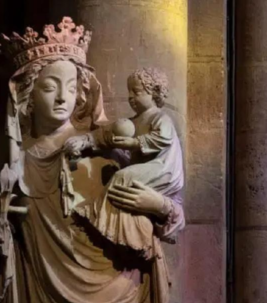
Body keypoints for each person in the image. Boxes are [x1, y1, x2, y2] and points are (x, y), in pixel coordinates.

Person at [0, 17, 184, 303]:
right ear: (28, 95)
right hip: (41, 292)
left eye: (72, 86)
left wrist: (160, 206)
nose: (64, 97)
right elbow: (13, 233)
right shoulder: (17, 165)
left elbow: (173, 218)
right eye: (50, 87)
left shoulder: (100, 145)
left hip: (118, 290)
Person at [63, 68, 184, 260]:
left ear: (154, 93)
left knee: (121, 177)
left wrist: (135, 143)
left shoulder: (160, 118)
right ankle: (107, 221)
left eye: (136, 92)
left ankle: (98, 217)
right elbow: (106, 134)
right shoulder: (132, 122)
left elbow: (163, 139)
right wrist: (86, 140)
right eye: (129, 92)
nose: (130, 97)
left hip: (163, 168)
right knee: (120, 177)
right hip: (145, 172)